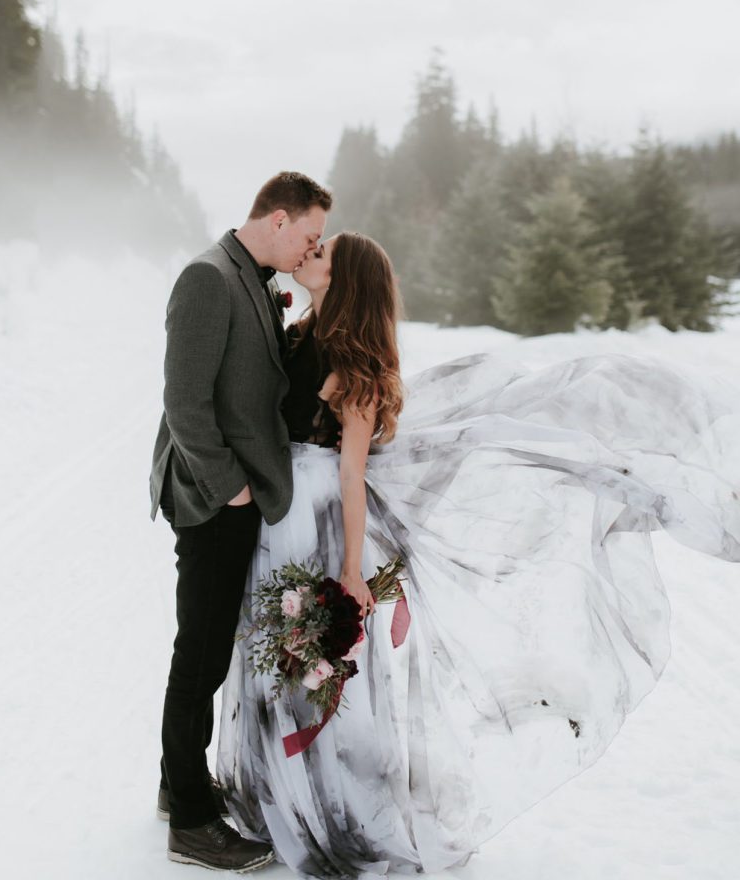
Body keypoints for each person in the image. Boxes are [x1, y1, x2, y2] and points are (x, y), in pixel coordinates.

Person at [216, 231, 740, 879]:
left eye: (321, 253)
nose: (309, 253)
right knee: (271, 654)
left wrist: (351, 569)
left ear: (345, 280)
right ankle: (274, 796)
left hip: (316, 519)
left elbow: (351, 475)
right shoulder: (299, 333)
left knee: (310, 661)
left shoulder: (354, 368)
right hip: (280, 514)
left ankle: (328, 813)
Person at [149, 170, 331, 872]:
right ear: (278, 219)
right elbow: (185, 404)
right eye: (309, 235)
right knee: (200, 652)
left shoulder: (251, 277)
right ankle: (192, 824)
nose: (310, 248)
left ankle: (179, 784)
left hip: (232, 492)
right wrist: (231, 491)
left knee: (210, 644)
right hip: (210, 496)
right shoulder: (208, 278)